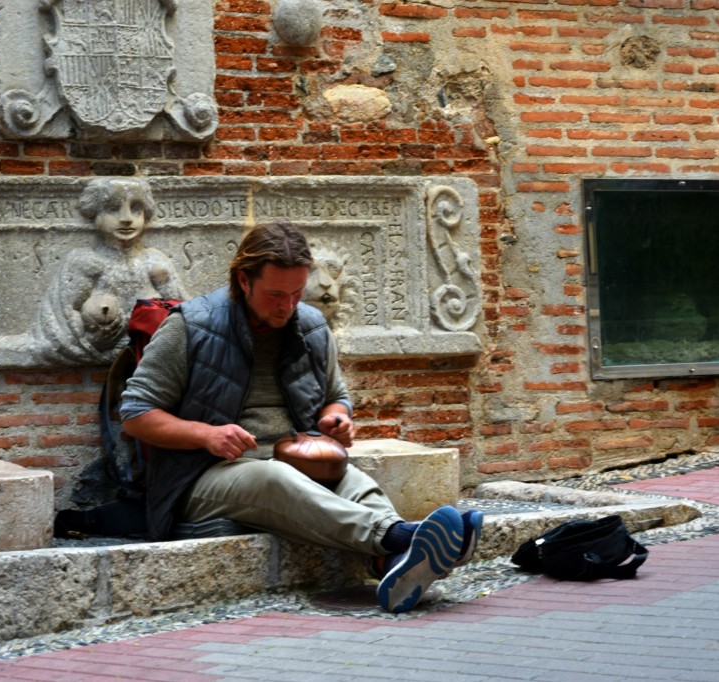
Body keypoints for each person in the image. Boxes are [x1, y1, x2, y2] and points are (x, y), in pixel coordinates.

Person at [119, 222, 482, 613]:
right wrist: (206, 434)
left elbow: (335, 397)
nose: (286, 306)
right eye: (275, 294)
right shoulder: (191, 327)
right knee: (274, 477)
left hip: (298, 458)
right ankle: (402, 537)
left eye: (295, 293)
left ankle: (393, 562)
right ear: (243, 280)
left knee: (352, 478)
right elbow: (136, 414)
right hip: (201, 477)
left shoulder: (310, 326)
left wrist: (336, 418)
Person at [33, 177, 187, 364]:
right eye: (113, 209)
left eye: (136, 209)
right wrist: (95, 334)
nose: (126, 219)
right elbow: (62, 323)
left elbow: (186, 314)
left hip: (153, 360)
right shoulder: (87, 262)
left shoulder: (154, 262)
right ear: (94, 214)